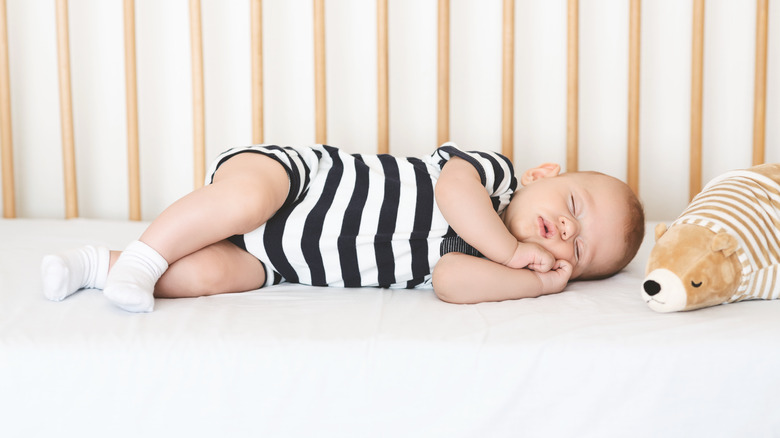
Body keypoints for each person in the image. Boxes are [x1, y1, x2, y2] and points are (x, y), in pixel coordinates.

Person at [40, 143, 645, 312]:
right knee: (243, 202)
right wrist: (512, 247)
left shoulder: (487, 265)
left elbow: (448, 282)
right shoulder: (493, 178)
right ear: (544, 173)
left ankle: (97, 265)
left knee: (213, 275)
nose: (566, 228)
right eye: (574, 203)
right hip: (295, 181)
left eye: (578, 248)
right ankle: (145, 259)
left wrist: (534, 284)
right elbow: (452, 191)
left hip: (280, 261)